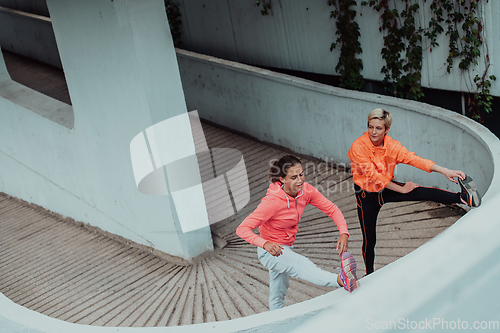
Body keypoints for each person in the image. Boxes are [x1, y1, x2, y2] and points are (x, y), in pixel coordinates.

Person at [348, 108, 481, 275]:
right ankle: (369, 274)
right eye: (371, 127)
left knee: (424, 192)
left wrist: (445, 170)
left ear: (387, 129)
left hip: (387, 187)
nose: (373, 132)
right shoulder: (358, 147)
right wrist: (402, 189)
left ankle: (462, 198)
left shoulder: (392, 146)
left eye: (378, 128)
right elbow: (374, 177)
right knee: (369, 239)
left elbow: (414, 159)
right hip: (366, 196)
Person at [236, 155, 359, 311]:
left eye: (301, 174)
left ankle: (275, 322)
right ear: (282, 179)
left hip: (286, 247)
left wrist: (344, 232)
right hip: (270, 252)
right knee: (302, 265)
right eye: (293, 177)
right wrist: (265, 243)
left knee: (278, 293)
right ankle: (341, 281)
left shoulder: (305, 191)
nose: (300, 180)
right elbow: (242, 229)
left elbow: (332, 209)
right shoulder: (271, 203)